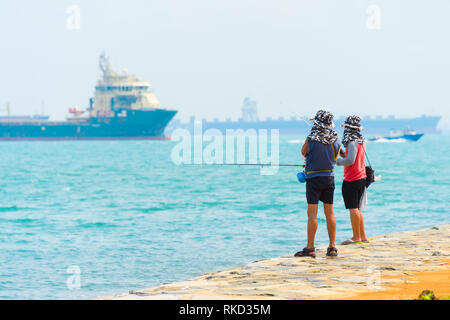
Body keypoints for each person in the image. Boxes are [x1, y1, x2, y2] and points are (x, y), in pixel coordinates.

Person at [295, 110, 341, 258]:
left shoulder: (311, 139)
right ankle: (332, 246)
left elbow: (303, 152)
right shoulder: (335, 139)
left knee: (312, 214)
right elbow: (337, 156)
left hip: (313, 179)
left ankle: (310, 248)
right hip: (329, 178)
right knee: (330, 213)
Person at [336, 115, 369, 244]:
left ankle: (356, 237)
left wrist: (337, 161)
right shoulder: (360, 140)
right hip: (361, 177)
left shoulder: (351, 141)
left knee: (353, 208)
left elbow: (350, 161)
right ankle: (363, 236)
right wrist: (342, 153)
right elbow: (351, 156)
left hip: (352, 179)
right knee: (358, 209)